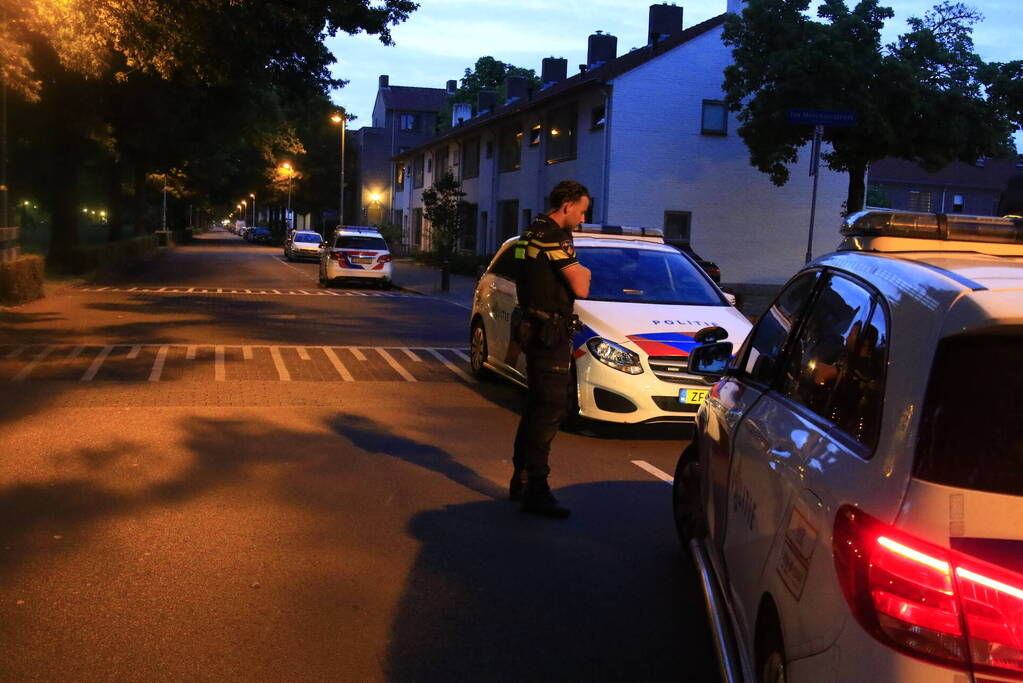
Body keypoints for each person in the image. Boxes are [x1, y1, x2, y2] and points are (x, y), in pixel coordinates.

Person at [510, 180, 592, 518]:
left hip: (533, 326)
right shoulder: (554, 238)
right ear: (568, 205)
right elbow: (582, 287)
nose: (583, 219)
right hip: (550, 333)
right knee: (549, 411)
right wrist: (583, 269)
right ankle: (537, 490)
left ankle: (522, 478)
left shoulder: (530, 233)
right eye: (582, 211)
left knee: (535, 408)